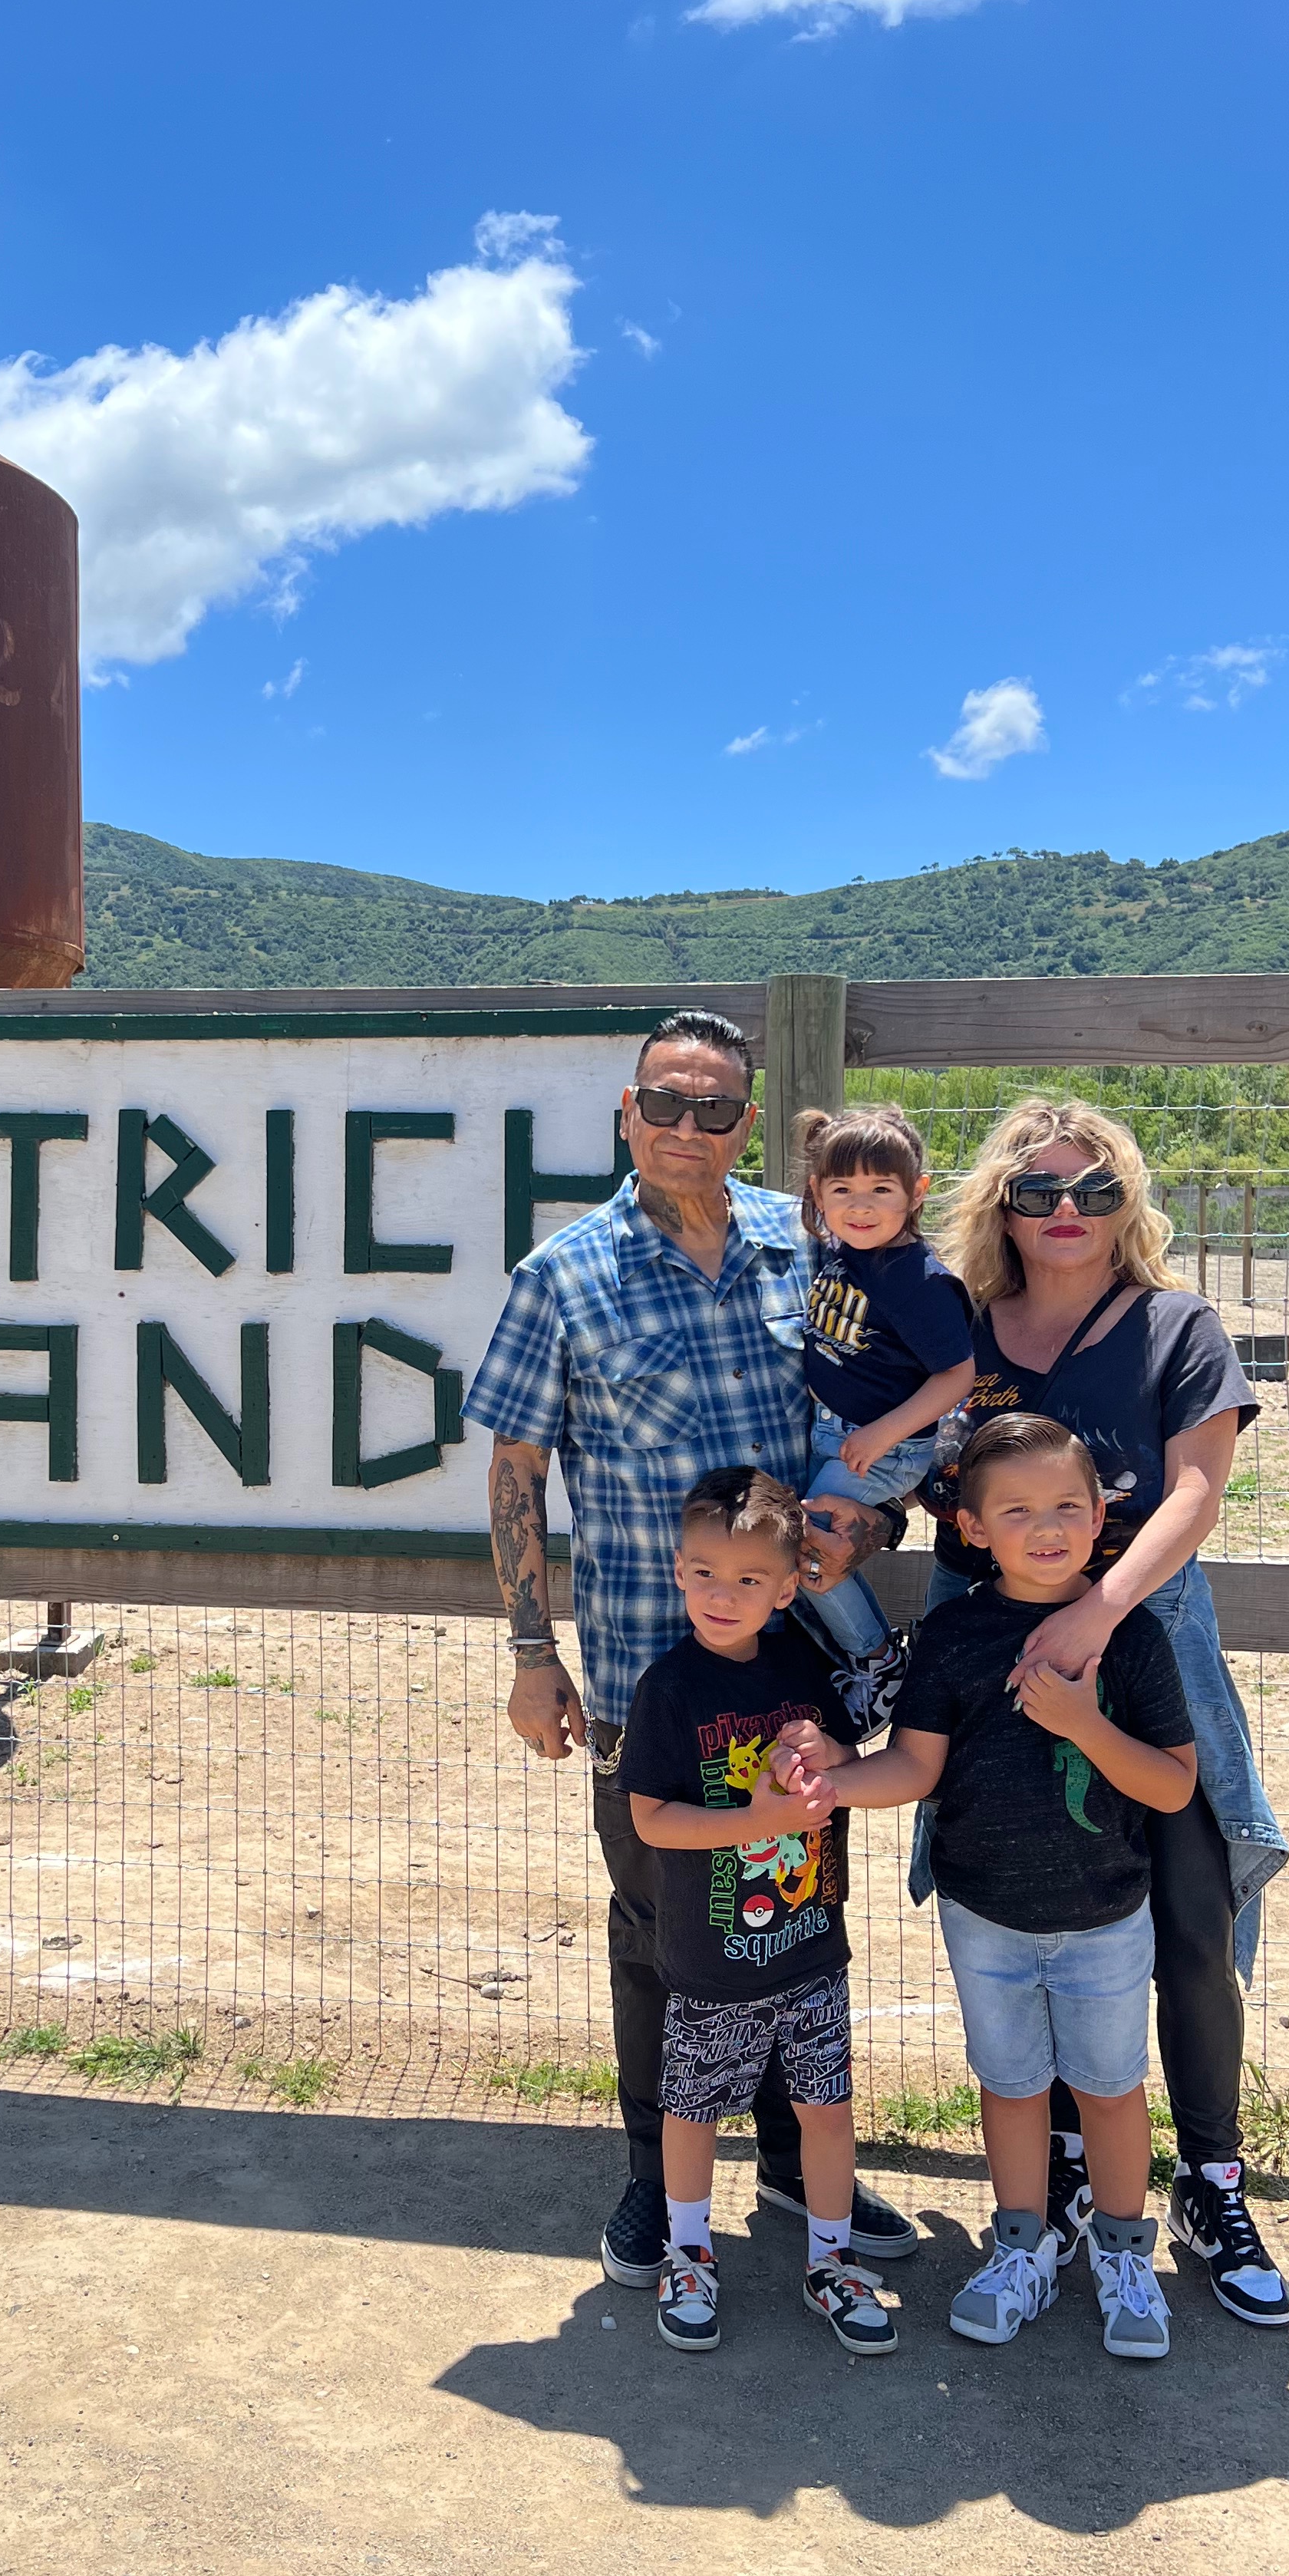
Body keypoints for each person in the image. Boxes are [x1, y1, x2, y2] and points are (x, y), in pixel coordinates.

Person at [465, 1008, 916, 2292]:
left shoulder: (808, 1248)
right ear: (628, 1112)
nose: (685, 1126)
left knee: (791, 1912)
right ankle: (650, 2180)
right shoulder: (561, 1275)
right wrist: (529, 1651)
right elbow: (514, 1469)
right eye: (664, 1101)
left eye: (713, 1107)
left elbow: (877, 1415)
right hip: (641, 1673)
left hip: (793, 1674)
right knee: (658, 1927)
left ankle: (790, 2161)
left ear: (745, 1123)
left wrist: (872, 1519)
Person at [921, 1096, 1289, 2327]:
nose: (1067, 1211)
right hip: (989, 1659)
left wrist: (1098, 1611)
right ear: (1002, 1207)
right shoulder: (960, 1331)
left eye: (1095, 1190)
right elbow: (903, 1469)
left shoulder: (1175, 1327)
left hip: (1142, 1645)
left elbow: (1195, 1492)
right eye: (1039, 1190)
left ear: (1128, 1203)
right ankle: (1066, 2174)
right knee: (1027, 1900)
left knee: (1187, 1916)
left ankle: (1212, 2181)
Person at [780, 1415, 1195, 2360]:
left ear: (1101, 1516)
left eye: (1066, 1507)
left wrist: (1084, 1724)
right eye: (1017, 1511)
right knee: (1010, 2089)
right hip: (983, 1917)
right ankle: (1020, 2250)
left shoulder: (1128, 1639)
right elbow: (916, 1766)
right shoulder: (954, 1634)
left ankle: (1125, 2258)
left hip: (1105, 1917)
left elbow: (1173, 1785)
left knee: (1111, 2091)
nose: (1046, 1528)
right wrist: (837, 1783)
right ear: (970, 1527)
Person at [620, 1466, 899, 2359]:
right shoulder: (668, 1688)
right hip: (711, 1964)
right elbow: (651, 1818)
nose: (722, 1594)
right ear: (678, 1571)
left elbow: (854, 1745)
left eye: (748, 1579)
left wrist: (835, 1748)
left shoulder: (804, 1668)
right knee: (692, 2111)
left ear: (786, 1591)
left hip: (812, 1949)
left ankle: (832, 2263)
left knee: (827, 2110)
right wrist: (759, 1821)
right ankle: (689, 2255)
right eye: (704, 1572)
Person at [795, 1102, 975, 1656]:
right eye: (843, 1189)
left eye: (881, 1189)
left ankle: (874, 1659)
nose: (861, 1206)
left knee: (810, 1548)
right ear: (817, 1191)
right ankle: (860, 1657)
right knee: (813, 1547)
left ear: (916, 1193)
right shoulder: (843, 1252)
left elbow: (957, 1375)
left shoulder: (919, 1283)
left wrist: (883, 1434)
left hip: (883, 1446)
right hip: (836, 1432)